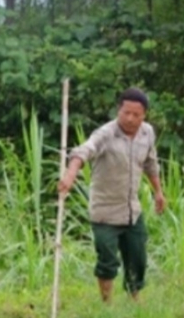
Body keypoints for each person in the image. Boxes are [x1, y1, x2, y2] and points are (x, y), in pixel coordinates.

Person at [57, 87, 167, 302]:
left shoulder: (147, 133)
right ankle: (106, 303)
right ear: (119, 110)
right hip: (104, 212)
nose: (130, 118)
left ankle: (134, 298)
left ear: (144, 115)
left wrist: (158, 192)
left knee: (137, 258)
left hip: (131, 211)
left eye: (136, 114)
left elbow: (150, 163)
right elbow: (83, 151)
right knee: (107, 261)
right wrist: (70, 176)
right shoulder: (106, 134)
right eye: (126, 112)